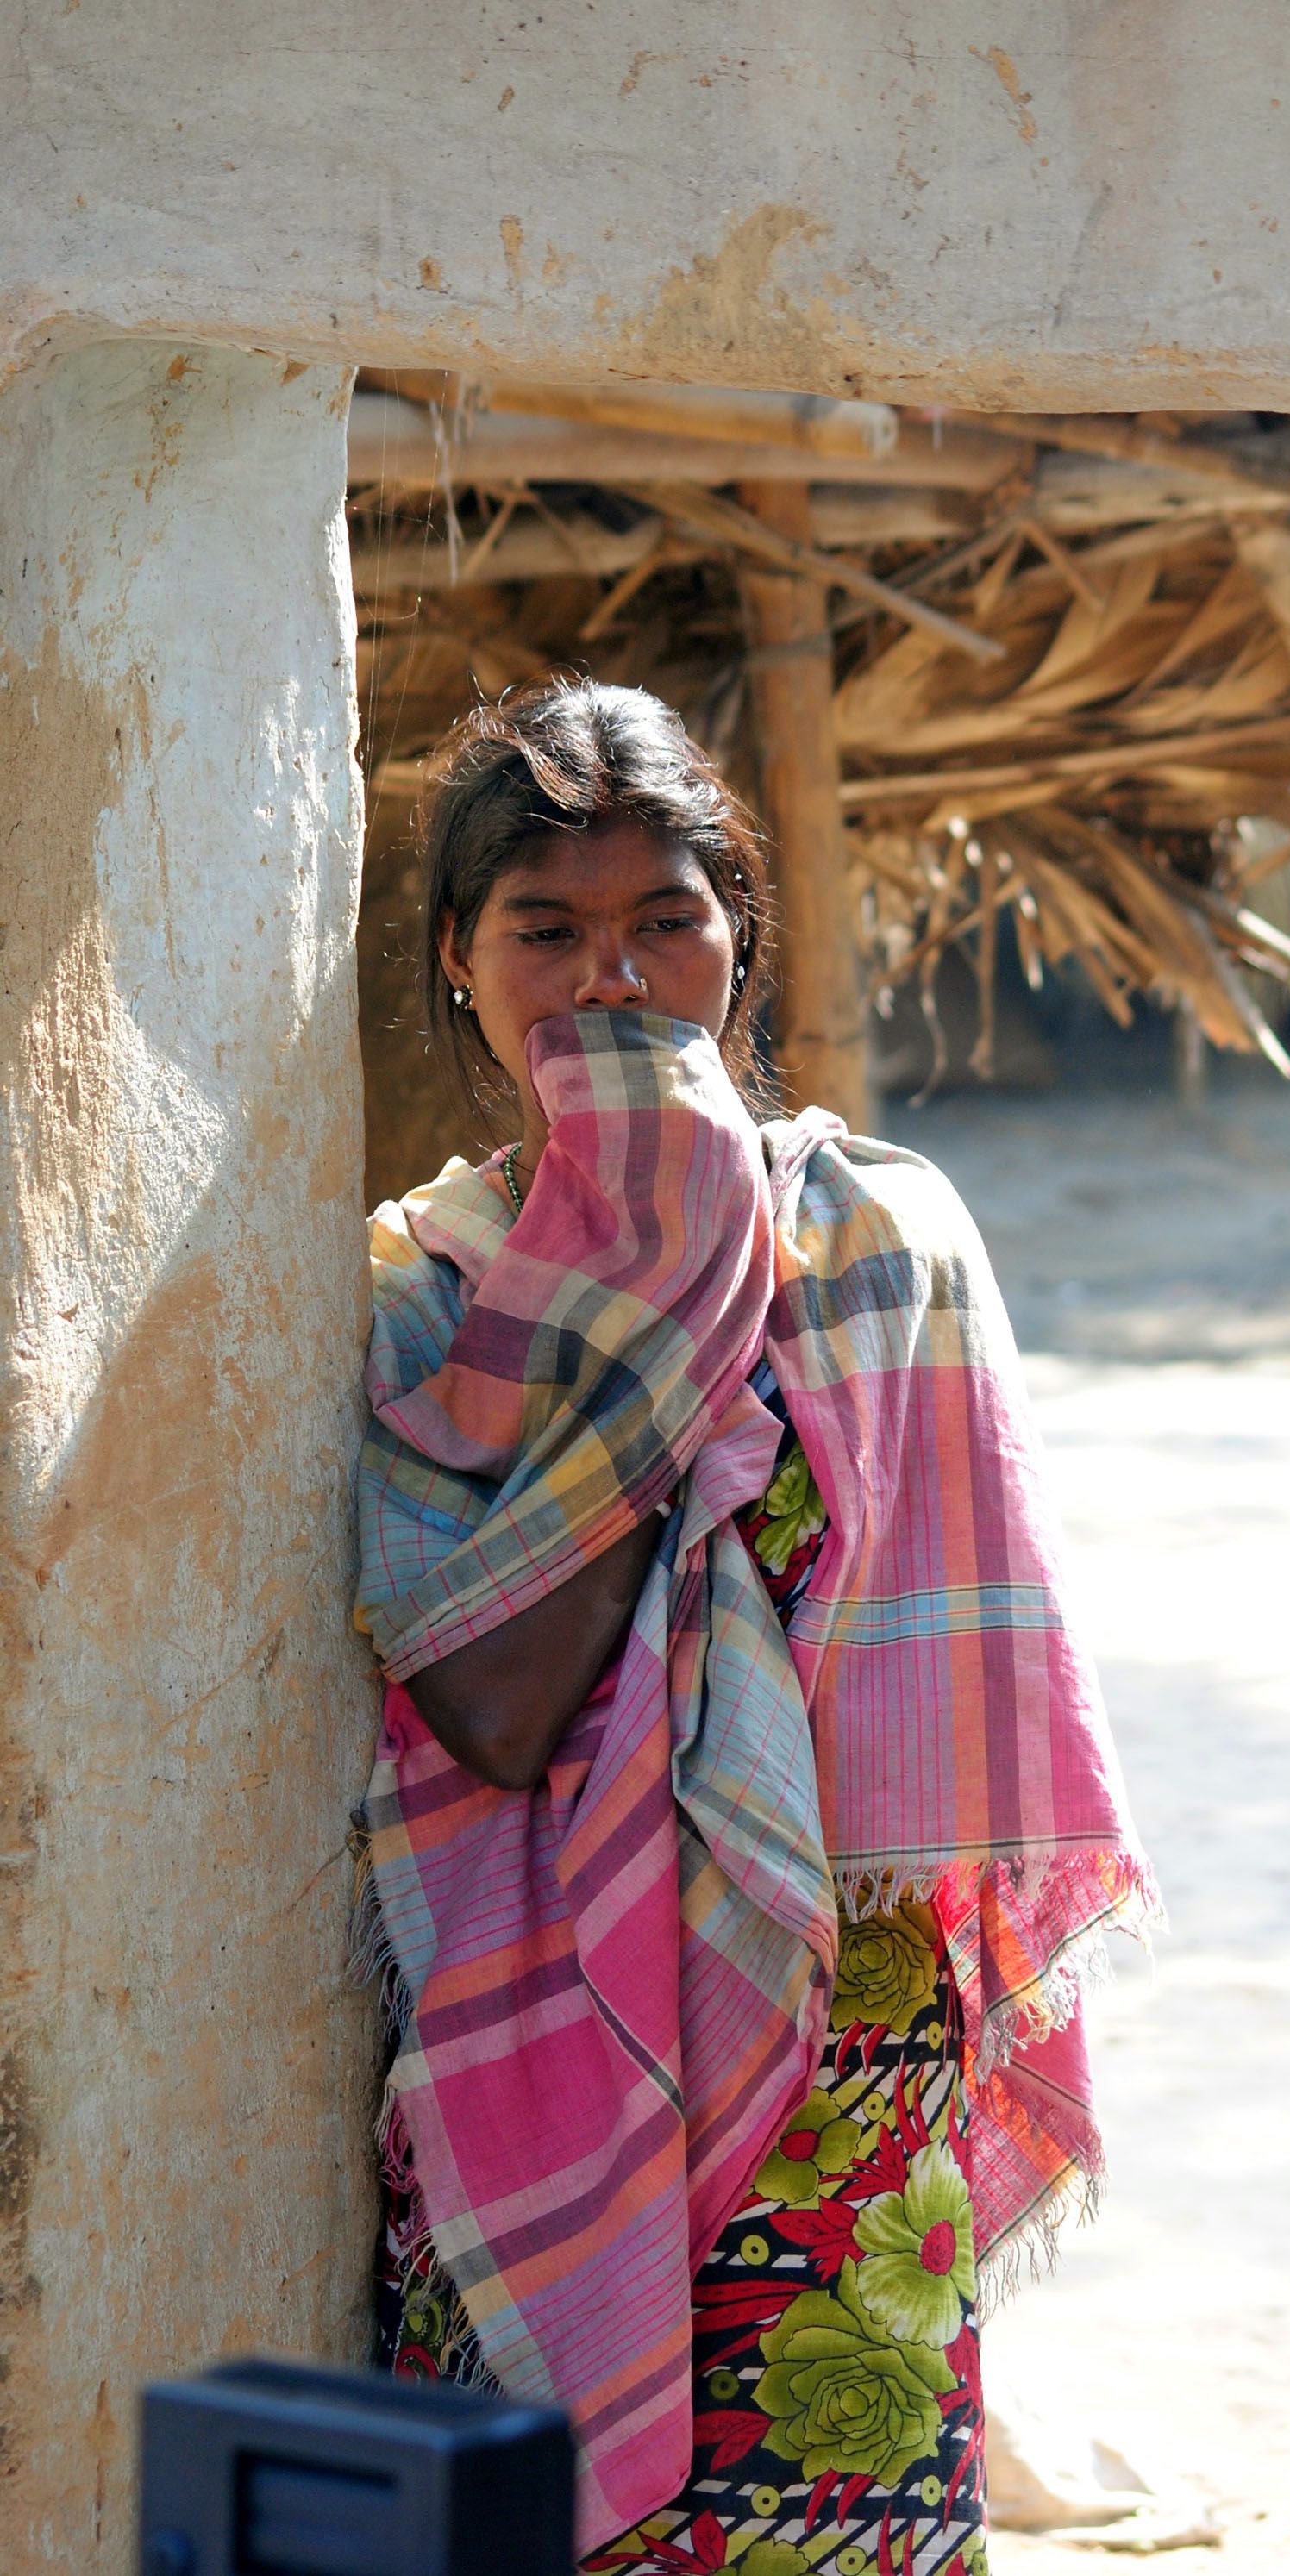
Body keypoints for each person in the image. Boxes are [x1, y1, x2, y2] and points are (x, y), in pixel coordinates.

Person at [352, 677, 1156, 2576]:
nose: (610, 978)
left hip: (847, 2057)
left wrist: (714, 1271)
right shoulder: (422, 1288)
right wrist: (648, 1322)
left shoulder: (887, 1237)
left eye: (665, 921)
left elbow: (943, 1714)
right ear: (461, 969)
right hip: (526, 2032)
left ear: (739, 944)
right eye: (545, 929)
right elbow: (482, 1708)